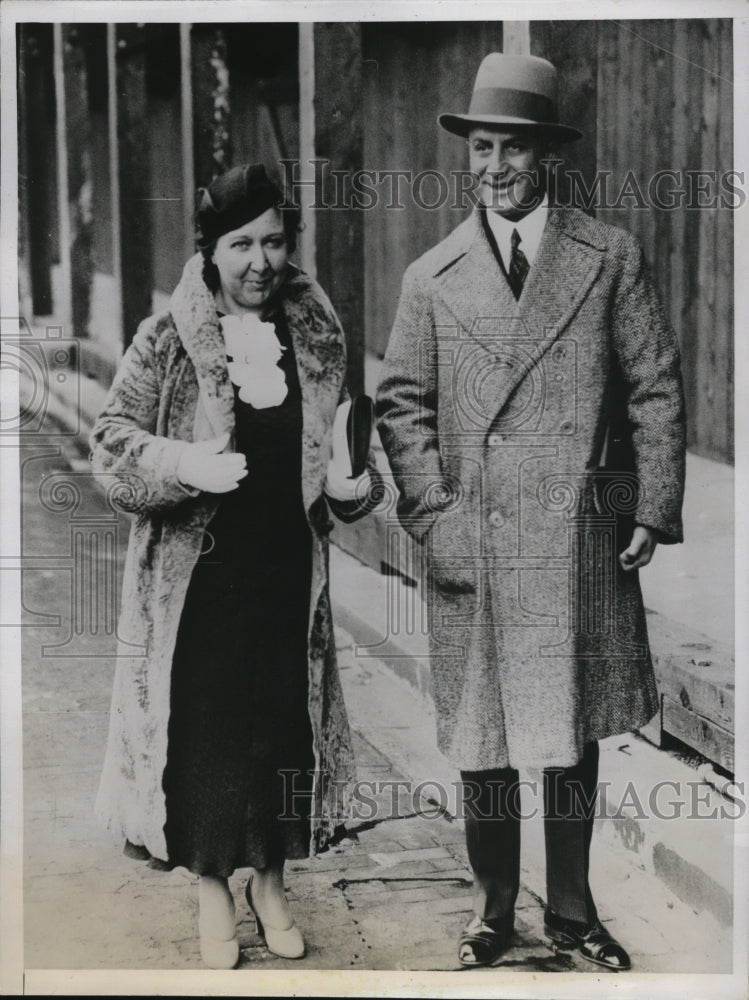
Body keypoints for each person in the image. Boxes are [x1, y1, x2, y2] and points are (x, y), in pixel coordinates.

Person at [376, 53, 686, 971]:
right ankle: (491, 909)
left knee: (568, 730)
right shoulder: (431, 277)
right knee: (484, 737)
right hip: (476, 542)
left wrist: (646, 503)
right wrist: (434, 515)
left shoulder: (606, 256)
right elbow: (401, 403)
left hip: (572, 541)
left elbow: (654, 389)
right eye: (480, 147)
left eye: (512, 147)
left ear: (545, 154)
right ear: (465, 154)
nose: (494, 167)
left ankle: (573, 914)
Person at [91, 162, 377, 969]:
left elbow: (346, 452)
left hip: (287, 576)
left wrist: (351, 487)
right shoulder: (165, 339)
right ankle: (215, 887)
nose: (260, 262)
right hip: (199, 583)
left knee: (283, 732)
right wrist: (182, 462)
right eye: (241, 244)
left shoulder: (314, 336)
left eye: (275, 242)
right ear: (210, 251)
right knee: (208, 737)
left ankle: (272, 882)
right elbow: (111, 448)